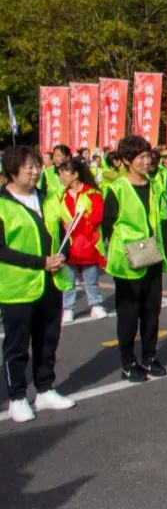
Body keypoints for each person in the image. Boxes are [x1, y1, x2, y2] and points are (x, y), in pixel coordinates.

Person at [1, 146, 75, 422]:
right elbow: (2, 250)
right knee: (17, 345)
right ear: (11, 171)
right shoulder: (2, 204)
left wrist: (63, 254)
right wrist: (40, 262)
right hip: (18, 286)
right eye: (28, 167)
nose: (34, 172)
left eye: (36, 166)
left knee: (47, 340)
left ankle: (44, 388)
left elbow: (62, 231)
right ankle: (17, 396)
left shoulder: (46, 197)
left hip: (50, 282)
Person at [103, 135, 167, 383]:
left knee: (152, 311)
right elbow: (107, 224)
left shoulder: (153, 184)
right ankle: (128, 362)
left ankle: (149, 357)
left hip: (152, 254)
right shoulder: (117, 189)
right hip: (128, 260)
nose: (146, 160)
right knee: (129, 313)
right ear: (127, 161)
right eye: (140, 157)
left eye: (147, 155)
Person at [56, 158, 107, 322]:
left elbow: (97, 216)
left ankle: (96, 304)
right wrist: (64, 224)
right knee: (68, 280)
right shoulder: (61, 195)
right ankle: (68, 308)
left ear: (75, 174)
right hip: (69, 243)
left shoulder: (92, 193)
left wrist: (82, 222)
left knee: (91, 278)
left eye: (64, 172)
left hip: (88, 242)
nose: (61, 176)